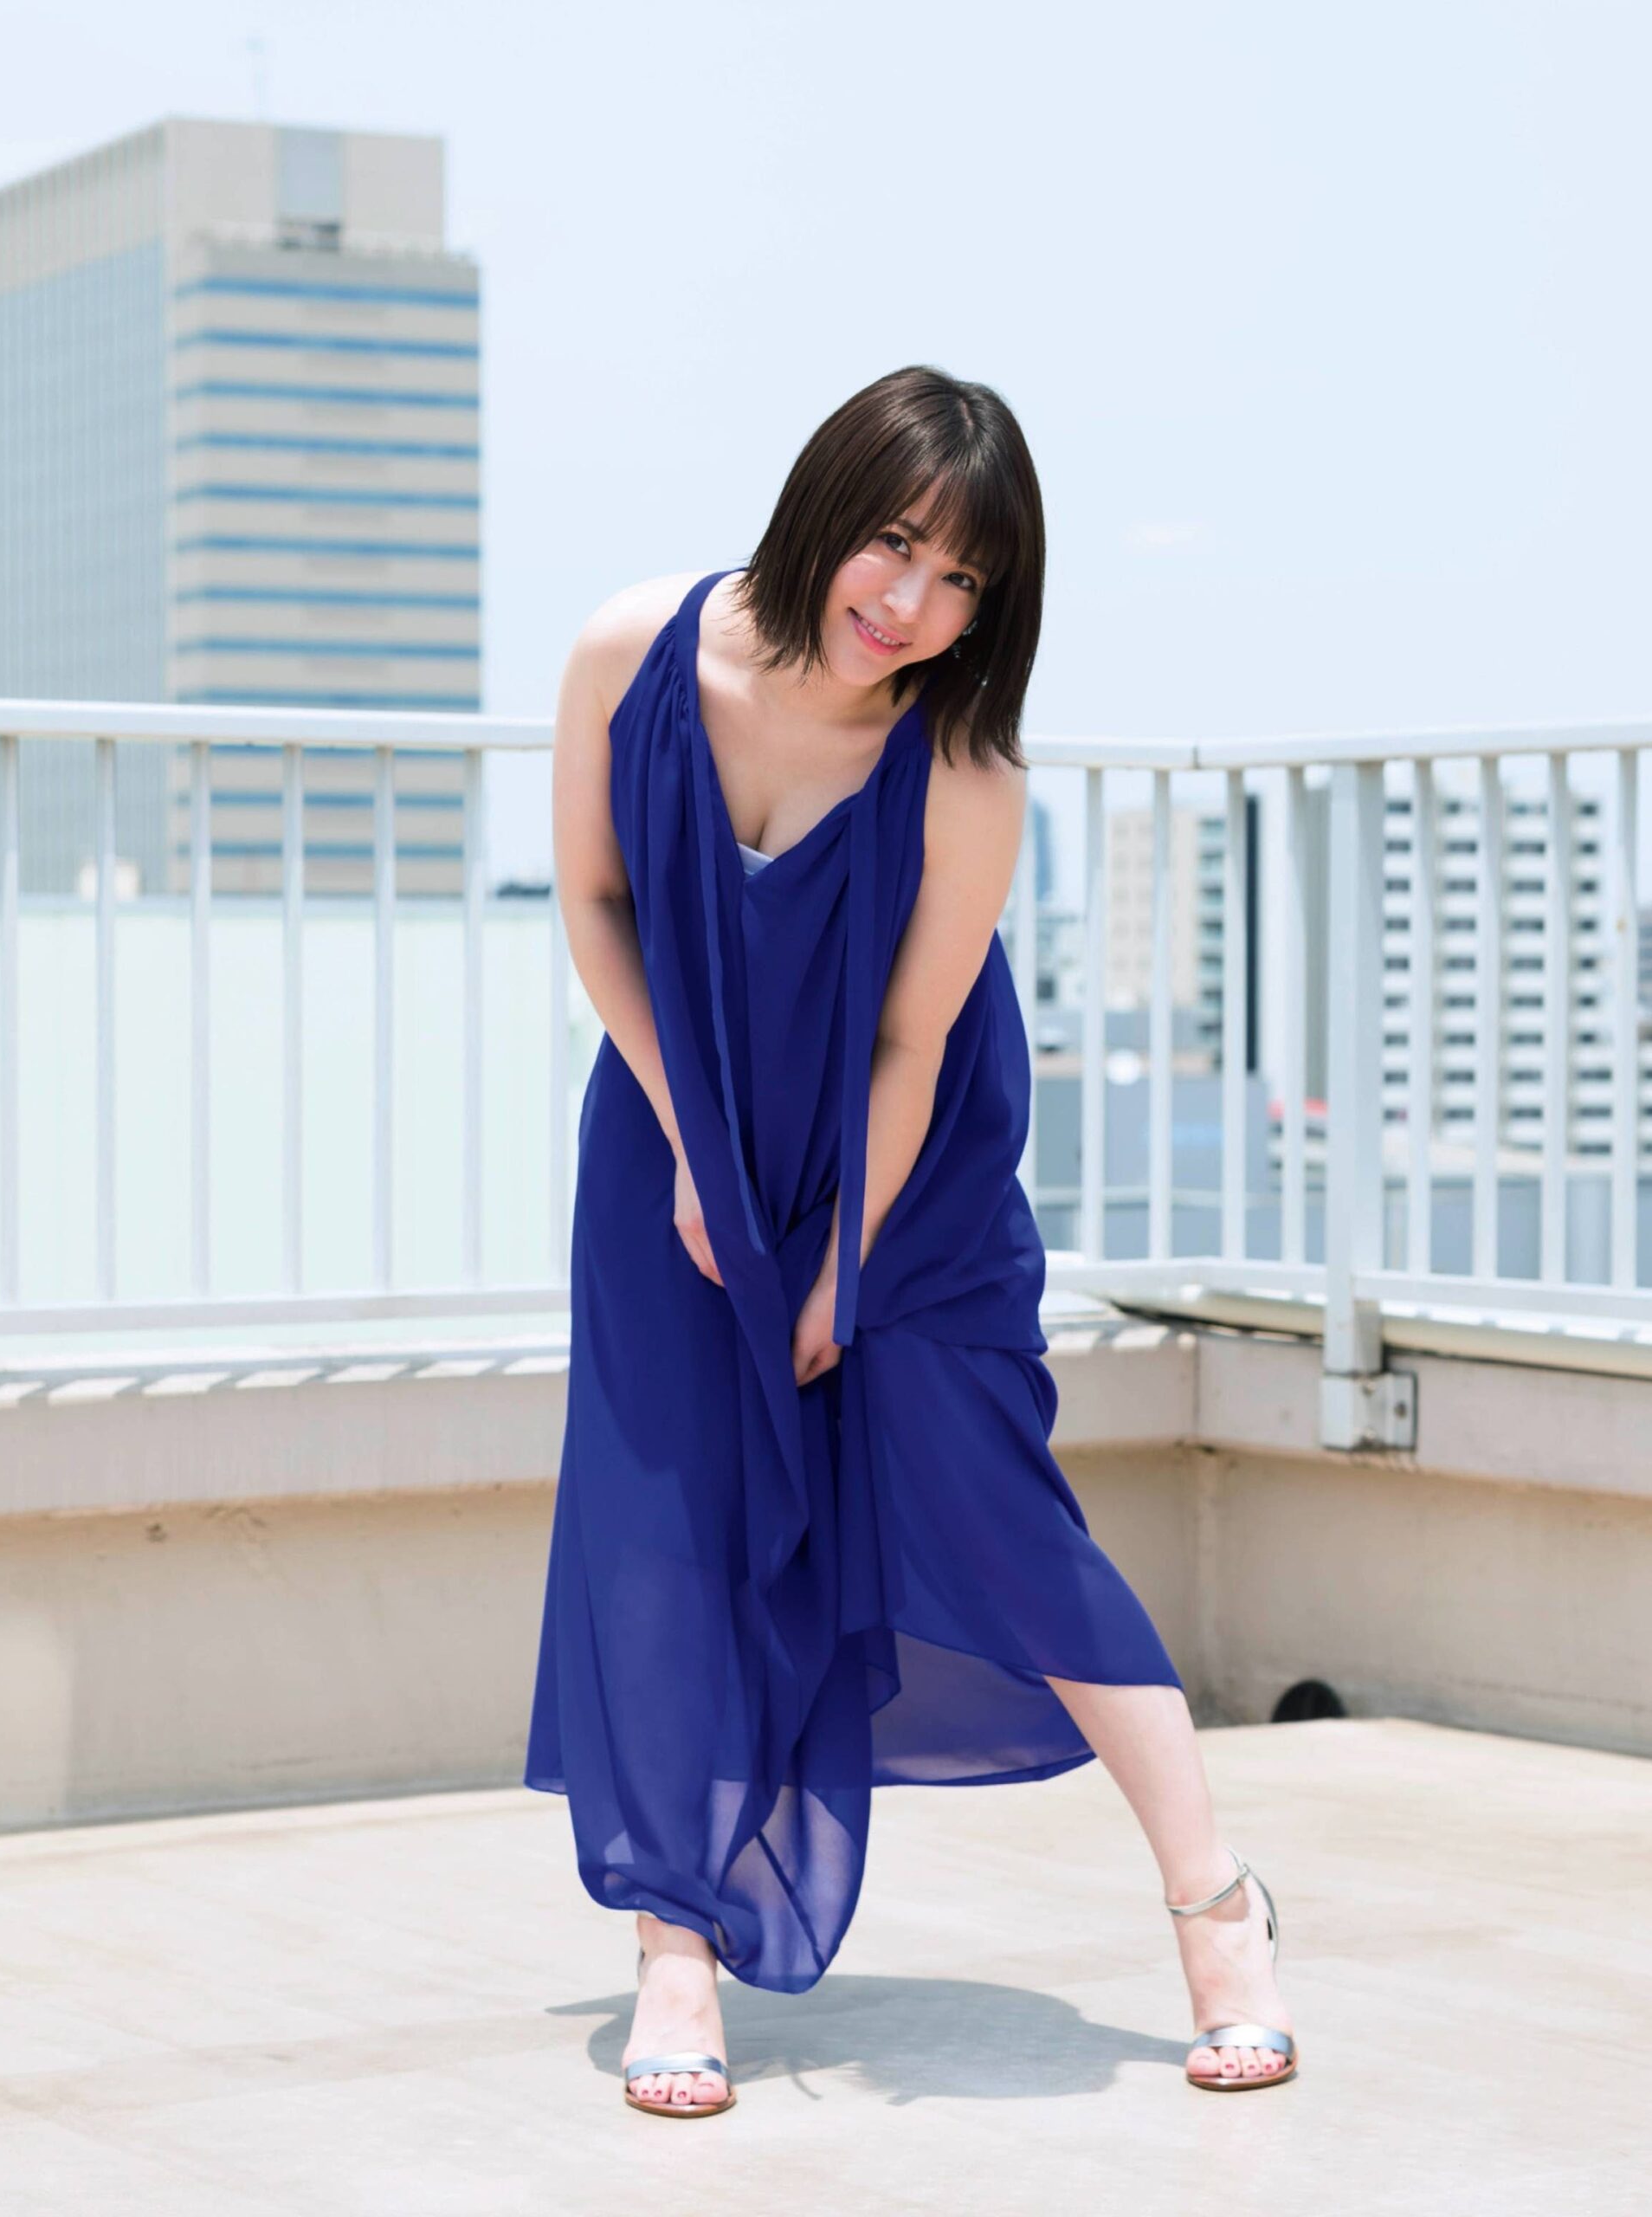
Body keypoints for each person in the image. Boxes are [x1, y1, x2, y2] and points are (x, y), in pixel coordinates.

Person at [525, 365, 1297, 2117]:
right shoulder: (630, 652)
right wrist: (693, 1150)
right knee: (666, 1531)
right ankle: (674, 1952)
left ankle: (1218, 1908)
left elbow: (909, 1045)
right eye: (893, 544)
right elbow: (594, 902)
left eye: (964, 581)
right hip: (672, 1137)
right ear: (824, 508)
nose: (913, 605)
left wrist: (836, 1263)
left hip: (909, 1180)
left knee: (1001, 1518)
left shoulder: (960, 766)